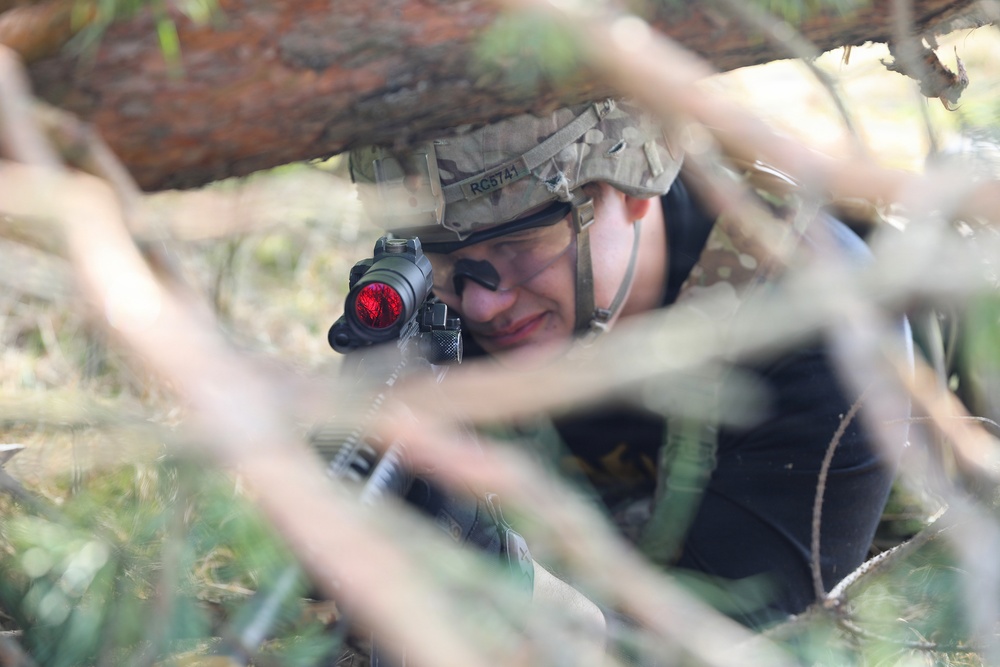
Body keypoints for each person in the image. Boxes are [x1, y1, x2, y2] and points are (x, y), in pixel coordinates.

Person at [346, 98, 909, 635]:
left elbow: (740, 643)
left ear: (632, 191)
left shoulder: (817, 328)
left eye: (518, 246)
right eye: (438, 259)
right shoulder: (437, 307)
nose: (481, 305)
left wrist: (502, 575)